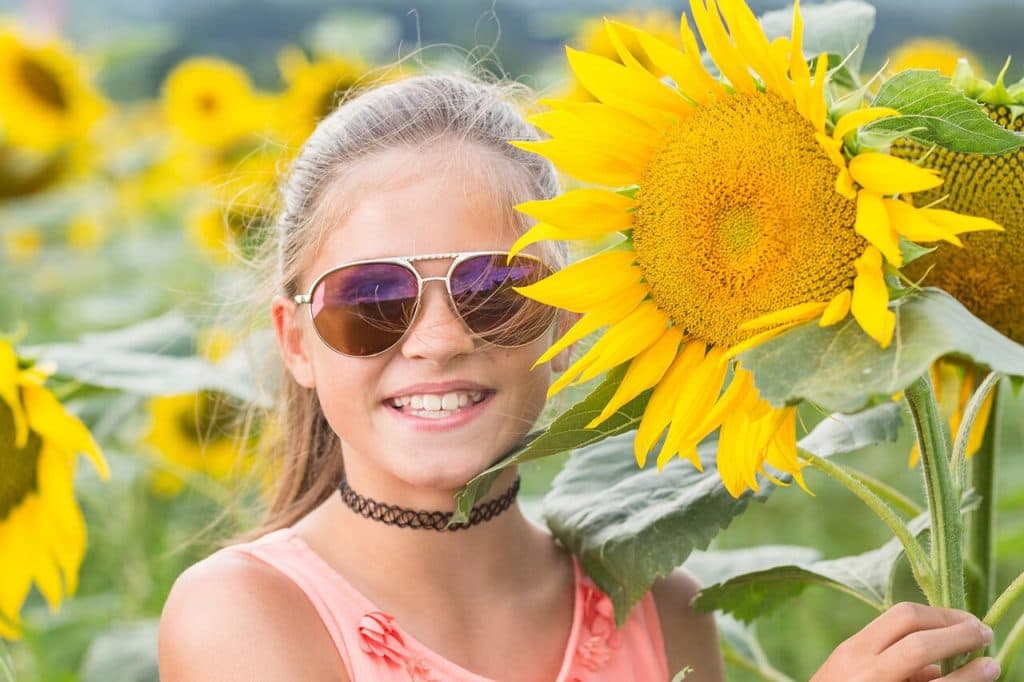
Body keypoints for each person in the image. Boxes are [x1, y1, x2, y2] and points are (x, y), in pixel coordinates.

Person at [157, 73, 1002, 682]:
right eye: (370, 300)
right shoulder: (247, 617)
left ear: (566, 324)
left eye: (496, 290)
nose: (439, 339)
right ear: (296, 342)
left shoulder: (665, 610)